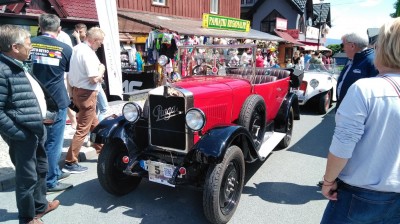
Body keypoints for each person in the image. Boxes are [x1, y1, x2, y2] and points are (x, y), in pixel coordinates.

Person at [320, 18, 400, 223]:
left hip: (360, 195)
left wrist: (328, 181)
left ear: (385, 49)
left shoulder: (366, 89)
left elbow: (343, 146)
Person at [0, 24, 60, 224]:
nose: (31, 48)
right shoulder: (2, 70)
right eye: (28, 44)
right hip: (23, 135)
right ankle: (27, 218)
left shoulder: (19, 64)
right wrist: (18, 134)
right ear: (15, 47)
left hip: (36, 129)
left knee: (41, 169)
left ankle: (41, 206)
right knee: (26, 179)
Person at [30, 14, 73, 193]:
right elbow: (67, 72)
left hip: (33, 99)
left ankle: (53, 171)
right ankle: (50, 181)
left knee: (39, 140)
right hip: (56, 100)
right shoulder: (65, 48)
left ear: (39, 25)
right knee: (54, 142)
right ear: (59, 29)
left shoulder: (28, 43)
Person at [63, 27, 105, 173]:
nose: (100, 45)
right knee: (83, 129)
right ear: (94, 40)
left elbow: (69, 74)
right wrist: (102, 69)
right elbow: (94, 78)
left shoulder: (76, 49)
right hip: (87, 93)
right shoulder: (88, 53)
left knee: (95, 125)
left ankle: (102, 151)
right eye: (100, 42)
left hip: (78, 91)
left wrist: (71, 93)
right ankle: (70, 161)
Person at [335, 32, 379, 109]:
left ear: (352, 46)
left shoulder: (372, 62)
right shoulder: (352, 59)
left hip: (356, 113)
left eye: (343, 45)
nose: (343, 48)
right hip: (345, 109)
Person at [57, 30, 77, 129]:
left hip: (65, 73)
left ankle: (74, 119)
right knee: (67, 98)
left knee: (68, 97)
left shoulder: (63, 36)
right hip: (63, 74)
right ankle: (73, 119)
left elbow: (70, 54)